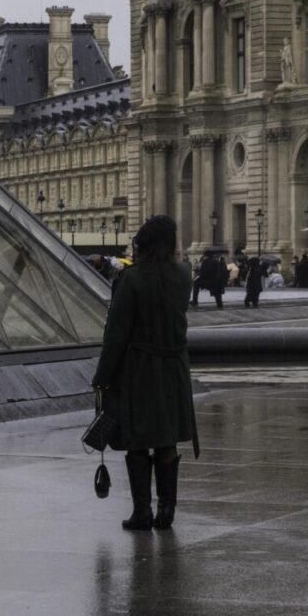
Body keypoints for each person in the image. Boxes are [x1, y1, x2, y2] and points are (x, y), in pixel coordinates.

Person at [92, 214, 199, 532]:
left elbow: (116, 334)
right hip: (174, 368)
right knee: (166, 440)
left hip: (139, 369)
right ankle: (167, 509)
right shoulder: (183, 275)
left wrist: (103, 376)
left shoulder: (133, 279)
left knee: (138, 440)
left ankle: (142, 511)